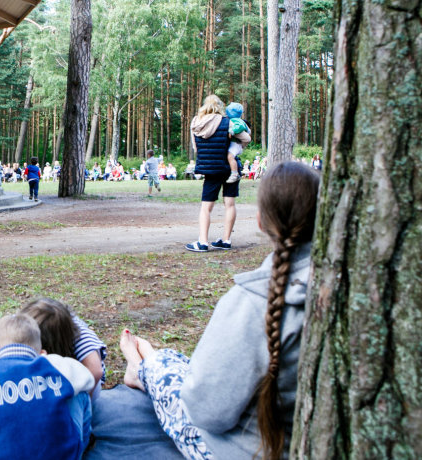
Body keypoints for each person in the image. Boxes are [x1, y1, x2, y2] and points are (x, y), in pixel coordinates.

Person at [119, 161, 319, 460]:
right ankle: (150, 362)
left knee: (165, 365)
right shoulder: (346, 291)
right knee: (173, 359)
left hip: (243, 451)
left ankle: (142, 367)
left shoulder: (250, 303)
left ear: (262, 221)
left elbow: (206, 412)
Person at [0, 313, 94, 460]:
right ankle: (82, 445)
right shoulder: (53, 364)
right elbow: (88, 379)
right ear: (42, 353)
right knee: (79, 394)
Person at [0, 297, 107, 390]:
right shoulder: (18, 323)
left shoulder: (77, 332)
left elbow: (95, 372)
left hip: (73, 383)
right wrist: (5, 351)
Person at [186, 95, 239, 252]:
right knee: (229, 204)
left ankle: (203, 242)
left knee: (206, 207)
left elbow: (195, 148)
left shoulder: (196, 122)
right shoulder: (228, 121)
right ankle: (226, 240)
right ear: (220, 106)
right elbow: (240, 140)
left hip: (210, 169)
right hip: (229, 168)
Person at [224, 102, 251, 184]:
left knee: (230, 157)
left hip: (235, 144)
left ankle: (234, 174)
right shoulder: (238, 120)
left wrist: (232, 131)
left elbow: (240, 127)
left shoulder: (235, 120)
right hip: (237, 144)